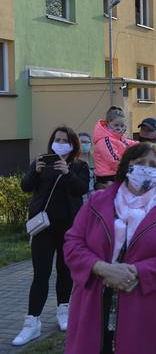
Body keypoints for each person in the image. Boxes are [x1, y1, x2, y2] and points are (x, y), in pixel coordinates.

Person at [63, 143, 156, 354]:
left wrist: (136, 272)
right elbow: (73, 242)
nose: (146, 168)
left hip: (146, 305)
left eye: (153, 164)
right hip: (94, 301)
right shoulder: (97, 201)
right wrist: (101, 268)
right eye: (140, 163)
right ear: (126, 167)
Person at [12, 127, 90, 347]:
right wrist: (34, 172)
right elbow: (26, 187)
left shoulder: (79, 166)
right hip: (43, 229)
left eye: (65, 140)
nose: (60, 143)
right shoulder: (41, 162)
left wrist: (67, 173)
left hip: (69, 229)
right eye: (57, 139)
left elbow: (81, 189)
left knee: (65, 272)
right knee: (41, 274)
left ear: (73, 144)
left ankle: (63, 310)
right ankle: (32, 322)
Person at [93, 106, 138, 188]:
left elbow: (130, 143)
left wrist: (144, 145)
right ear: (107, 124)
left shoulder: (119, 138)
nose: (119, 128)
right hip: (107, 177)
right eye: (116, 125)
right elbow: (114, 160)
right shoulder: (104, 140)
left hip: (117, 174)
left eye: (122, 125)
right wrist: (131, 168)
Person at [78, 132, 95, 198]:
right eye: (82, 142)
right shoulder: (72, 160)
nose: (84, 144)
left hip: (92, 194)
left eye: (87, 142)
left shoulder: (95, 159)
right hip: (78, 195)